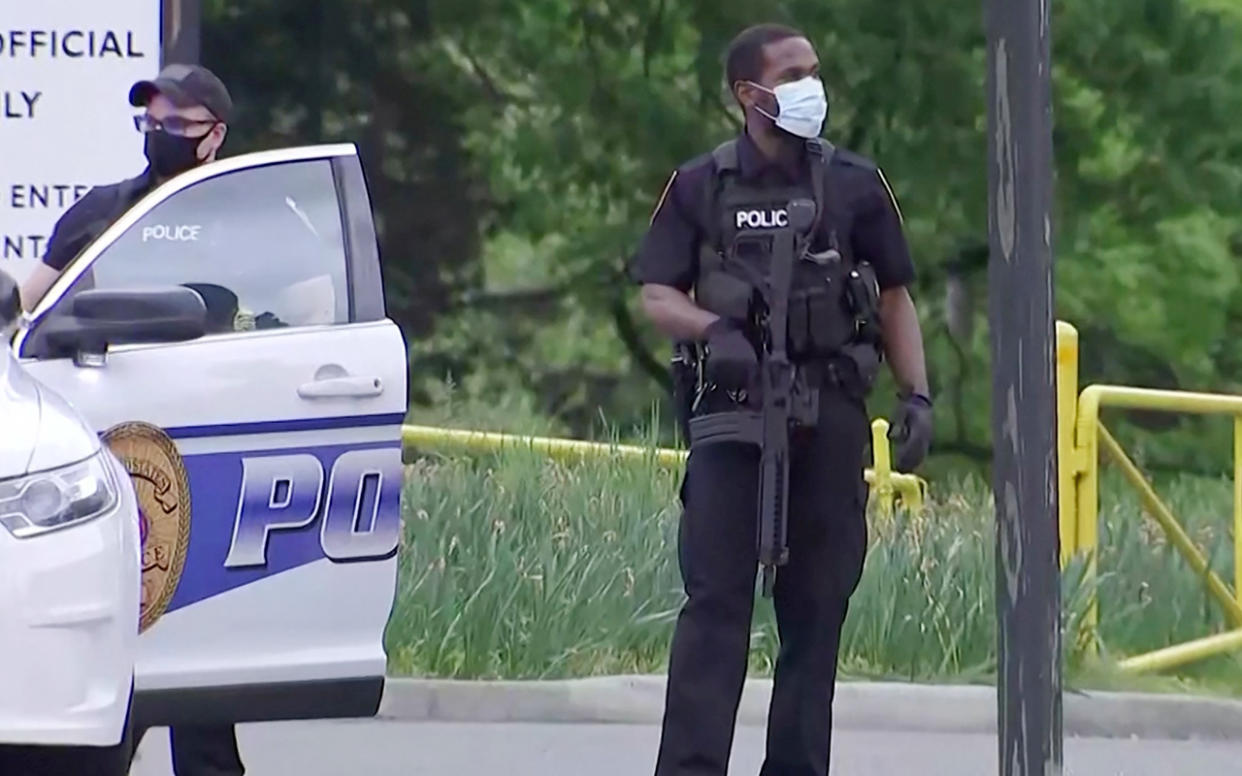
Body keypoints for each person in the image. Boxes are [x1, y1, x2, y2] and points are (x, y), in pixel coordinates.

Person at [630, 23, 933, 776]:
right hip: (734, 411)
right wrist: (714, 329)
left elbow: (895, 299)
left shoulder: (855, 182)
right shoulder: (701, 183)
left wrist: (917, 396)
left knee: (816, 612)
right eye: (791, 73)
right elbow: (656, 295)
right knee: (715, 610)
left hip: (828, 410)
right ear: (747, 93)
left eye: (813, 71)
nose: (809, 86)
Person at [18, 63, 248, 776]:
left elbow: (301, 307)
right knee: (116, 660)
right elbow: (28, 302)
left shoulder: (244, 221)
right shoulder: (100, 215)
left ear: (213, 138)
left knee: (201, 654)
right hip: (108, 458)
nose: (160, 134)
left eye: (177, 124)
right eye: (151, 120)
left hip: (207, 449)